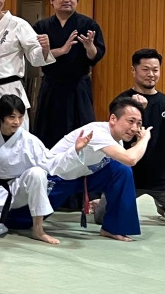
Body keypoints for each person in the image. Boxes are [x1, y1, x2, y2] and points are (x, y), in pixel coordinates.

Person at [93, 49, 165, 228]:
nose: (151, 74)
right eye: (145, 69)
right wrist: (140, 110)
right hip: (129, 173)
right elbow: (120, 136)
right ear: (134, 70)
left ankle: (162, 201)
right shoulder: (122, 101)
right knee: (101, 217)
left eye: (155, 70)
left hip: (163, 175)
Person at [0, 95, 91, 244]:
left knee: (37, 173)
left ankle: (38, 230)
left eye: (20, 117)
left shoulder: (29, 141)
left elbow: (52, 163)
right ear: (0, 117)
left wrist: (74, 150)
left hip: (17, 188)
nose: (17, 122)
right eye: (12, 117)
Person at [40, 97, 152, 242]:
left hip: (84, 175)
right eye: (131, 121)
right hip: (57, 177)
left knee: (121, 170)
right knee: (21, 221)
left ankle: (113, 228)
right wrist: (145, 139)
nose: (135, 128)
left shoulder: (117, 137)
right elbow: (130, 159)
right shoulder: (97, 133)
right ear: (113, 119)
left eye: (139, 124)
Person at [33, 0, 105, 149]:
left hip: (78, 87)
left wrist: (89, 46)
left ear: (77, 0)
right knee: (48, 133)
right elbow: (34, 57)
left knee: (81, 132)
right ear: (52, 0)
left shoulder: (88, 24)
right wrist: (62, 50)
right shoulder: (42, 26)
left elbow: (95, 56)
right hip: (51, 86)